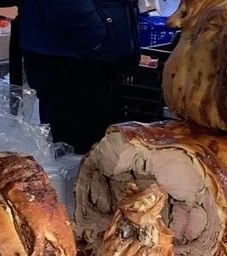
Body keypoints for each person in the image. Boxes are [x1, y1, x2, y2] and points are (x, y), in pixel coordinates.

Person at [19, 0, 140, 154]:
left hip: (83, 50)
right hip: (72, 54)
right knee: (78, 151)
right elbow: (68, 7)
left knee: (87, 147)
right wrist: (100, 38)